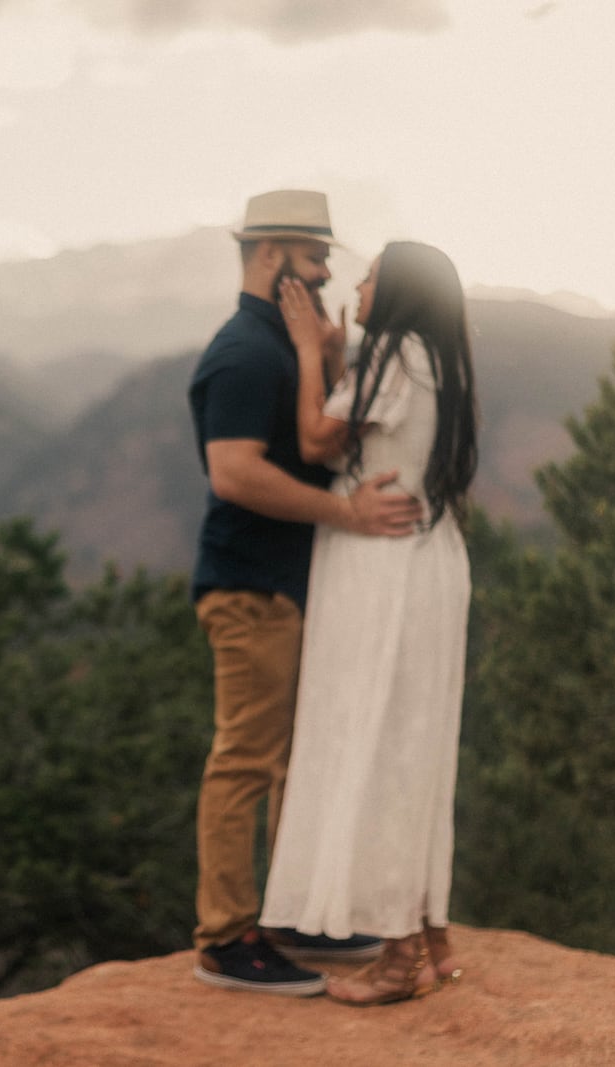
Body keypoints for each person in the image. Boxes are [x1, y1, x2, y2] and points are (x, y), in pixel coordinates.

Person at [188, 190, 424, 997]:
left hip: (285, 582)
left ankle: (289, 912)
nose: (326, 271)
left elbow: (317, 437)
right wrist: (347, 515)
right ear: (269, 255)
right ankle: (224, 936)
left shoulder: (283, 343)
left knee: (290, 755)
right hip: (251, 584)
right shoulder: (245, 353)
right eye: (314, 255)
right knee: (247, 757)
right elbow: (235, 473)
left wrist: (325, 351)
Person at [259, 240, 478, 1006]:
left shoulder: (395, 352)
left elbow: (321, 439)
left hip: (382, 567)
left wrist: (308, 351)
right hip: (431, 557)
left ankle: (397, 955)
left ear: (401, 291)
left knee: (381, 742)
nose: (356, 283)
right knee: (416, 747)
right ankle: (431, 932)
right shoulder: (439, 358)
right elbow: (376, 431)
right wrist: (339, 347)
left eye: (371, 275)